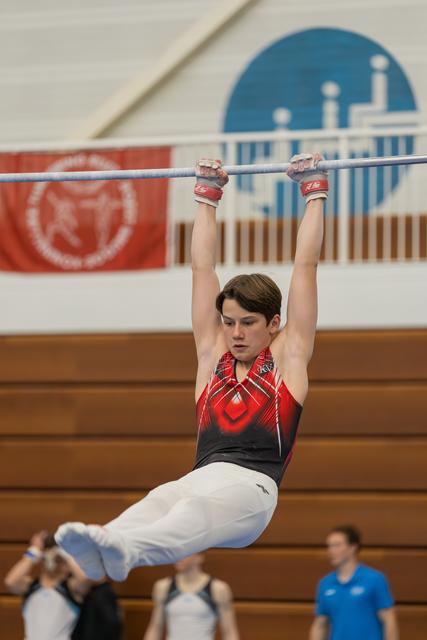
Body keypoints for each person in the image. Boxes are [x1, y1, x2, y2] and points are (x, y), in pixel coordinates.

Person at [54, 153, 328, 582]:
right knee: (165, 498)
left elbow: (305, 266)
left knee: (195, 510)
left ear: (274, 324)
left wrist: (314, 192)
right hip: (203, 476)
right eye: (229, 322)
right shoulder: (212, 354)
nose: (236, 333)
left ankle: (126, 550)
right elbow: (203, 267)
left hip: (252, 492)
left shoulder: (287, 356)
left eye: (248, 324)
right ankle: (101, 545)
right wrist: (207, 196)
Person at [309, 525, 399, 640]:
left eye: (336, 545)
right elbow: (320, 624)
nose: (331, 550)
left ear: (353, 547)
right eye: (329, 546)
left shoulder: (374, 579)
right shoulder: (325, 584)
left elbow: (389, 620)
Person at [4, 530, 90, 640]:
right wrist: (34, 551)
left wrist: (66, 553)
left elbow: (85, 579)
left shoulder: (71, 587)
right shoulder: (30, 586)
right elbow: (10, 582)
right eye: (55, 558)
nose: (57, 562)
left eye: (61, 560)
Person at [143, 553, 239, 640]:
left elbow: (229, 632)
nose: (178, 558)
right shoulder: (163, 587)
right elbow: (155, 627)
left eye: (185, 553)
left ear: (199, 557)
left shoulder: (218, 589)